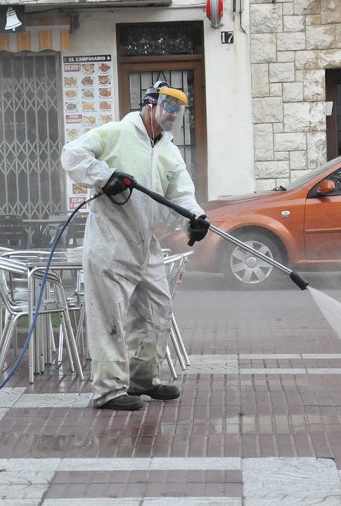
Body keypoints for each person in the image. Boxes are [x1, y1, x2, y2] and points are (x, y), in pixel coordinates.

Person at [60, 81, 210, 410]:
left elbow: (182, 195)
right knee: (109, 318)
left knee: (157, 310)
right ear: (149, 103)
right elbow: (72, 154)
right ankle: (109, 390)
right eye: (167, 105)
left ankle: (143, 379)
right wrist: (104, 175)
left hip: (146, 244)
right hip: (110, 242)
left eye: (178, 109)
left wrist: (195, 219)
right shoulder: (115, 133)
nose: (172, 113)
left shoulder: (169, 152)